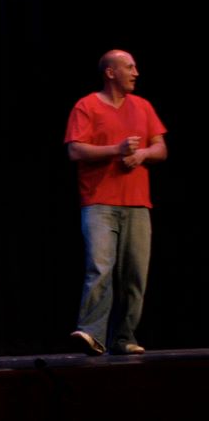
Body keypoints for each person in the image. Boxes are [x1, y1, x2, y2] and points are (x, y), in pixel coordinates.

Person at [65, 49, 167, 356]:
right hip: (99, 201)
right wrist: (116, 149)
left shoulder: (143, 106)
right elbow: (75, 150)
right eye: (129, 67)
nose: (136, 73)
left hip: (137, 203)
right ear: (111, 72)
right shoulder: (87, 106)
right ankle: (92, 333)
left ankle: (124, 337)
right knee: (100, 267)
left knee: (135, 273)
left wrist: (143, 154)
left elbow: (161, 147)